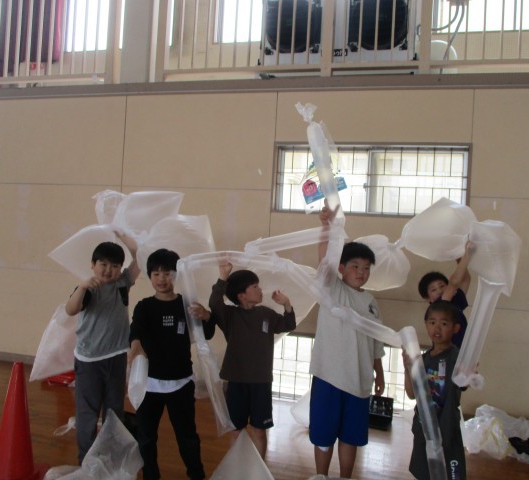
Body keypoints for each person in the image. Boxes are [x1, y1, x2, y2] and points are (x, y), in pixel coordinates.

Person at [309, 205, 385, 479]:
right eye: (355, 266)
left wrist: (379, 372)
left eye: (366, 268)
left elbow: (375, 341)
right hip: (329, 376)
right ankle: (321, 476)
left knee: (350, 437)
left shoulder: (371, 302)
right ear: (341, 268)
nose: (361, 272)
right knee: (323, 434)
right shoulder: (332, 288)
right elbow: (324, 259)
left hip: (359, 381)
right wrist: (326, 227)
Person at [128, 249, 215, 480]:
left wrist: (206, 316)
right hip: (149, 383)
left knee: (187, 436)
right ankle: (151, 476)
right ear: (149, 276)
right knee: (146, 437)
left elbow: (206, 333)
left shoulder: (186, 304)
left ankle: (197, 475)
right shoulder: (145, 306)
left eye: (167, 273)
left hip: (181, 382)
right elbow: (136, 329)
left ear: (176, 276)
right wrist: (135, 345)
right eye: (156, 274)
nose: (162, 279)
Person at [64, 233, 140, 464]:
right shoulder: (89, 288)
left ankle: (110, 457)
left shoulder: (122, 283)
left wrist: (127, 239)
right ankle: (86, 461)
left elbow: (138, 261)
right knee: (87, 412)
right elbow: (70, 309)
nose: (108, 270)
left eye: (115, 266)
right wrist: (82, 287)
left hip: (116, 356)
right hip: (89, 360)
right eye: (103, 264)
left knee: (114, 410)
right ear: (93, 265)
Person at [208, 261, 296, 460]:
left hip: (261, 382)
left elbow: (288, 324)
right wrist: (223, 276)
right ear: (242, 295)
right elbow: (214, 302)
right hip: (236, 381)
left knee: (259, 430)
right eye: (255, 286)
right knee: (236, 430)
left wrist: (287, 304)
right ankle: (236, 467)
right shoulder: (230, 316)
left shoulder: (267, 314)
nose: (260, 290)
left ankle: (259, 469)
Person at [404, 300, 467, 480]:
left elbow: (464, 383)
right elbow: (411, 394)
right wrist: (408, 368)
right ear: (426, 325)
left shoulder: (456, 357)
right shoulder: (422, 360)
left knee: (450, 474)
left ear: (455, 328)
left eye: (444, 323)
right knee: (424, 473)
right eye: (432, 322)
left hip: (447, 430)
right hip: (423, 430)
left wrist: (469, 374)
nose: (437, 328)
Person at [417, 240, 475, 348]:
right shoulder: (437, 306)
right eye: (433, 290)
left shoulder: (455, 300)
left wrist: (458, 255)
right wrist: (467, 254)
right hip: (447, 353)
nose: (439, 290)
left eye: (442, 286)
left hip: (461, 349)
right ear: (428, 298)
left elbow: (466, 279)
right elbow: (454, 282)